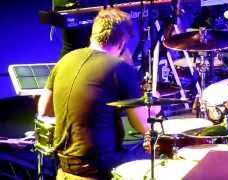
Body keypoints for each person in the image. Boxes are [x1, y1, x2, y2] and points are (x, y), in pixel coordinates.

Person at [38, 7, 156, 179]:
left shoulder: (64, 60)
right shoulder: (120, 68)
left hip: (63, 166)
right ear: (122, 42)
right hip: (99, 168)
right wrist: (154, 110)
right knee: (153, 161)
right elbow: (142, 125)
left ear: (93, 34)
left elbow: (44, 110)